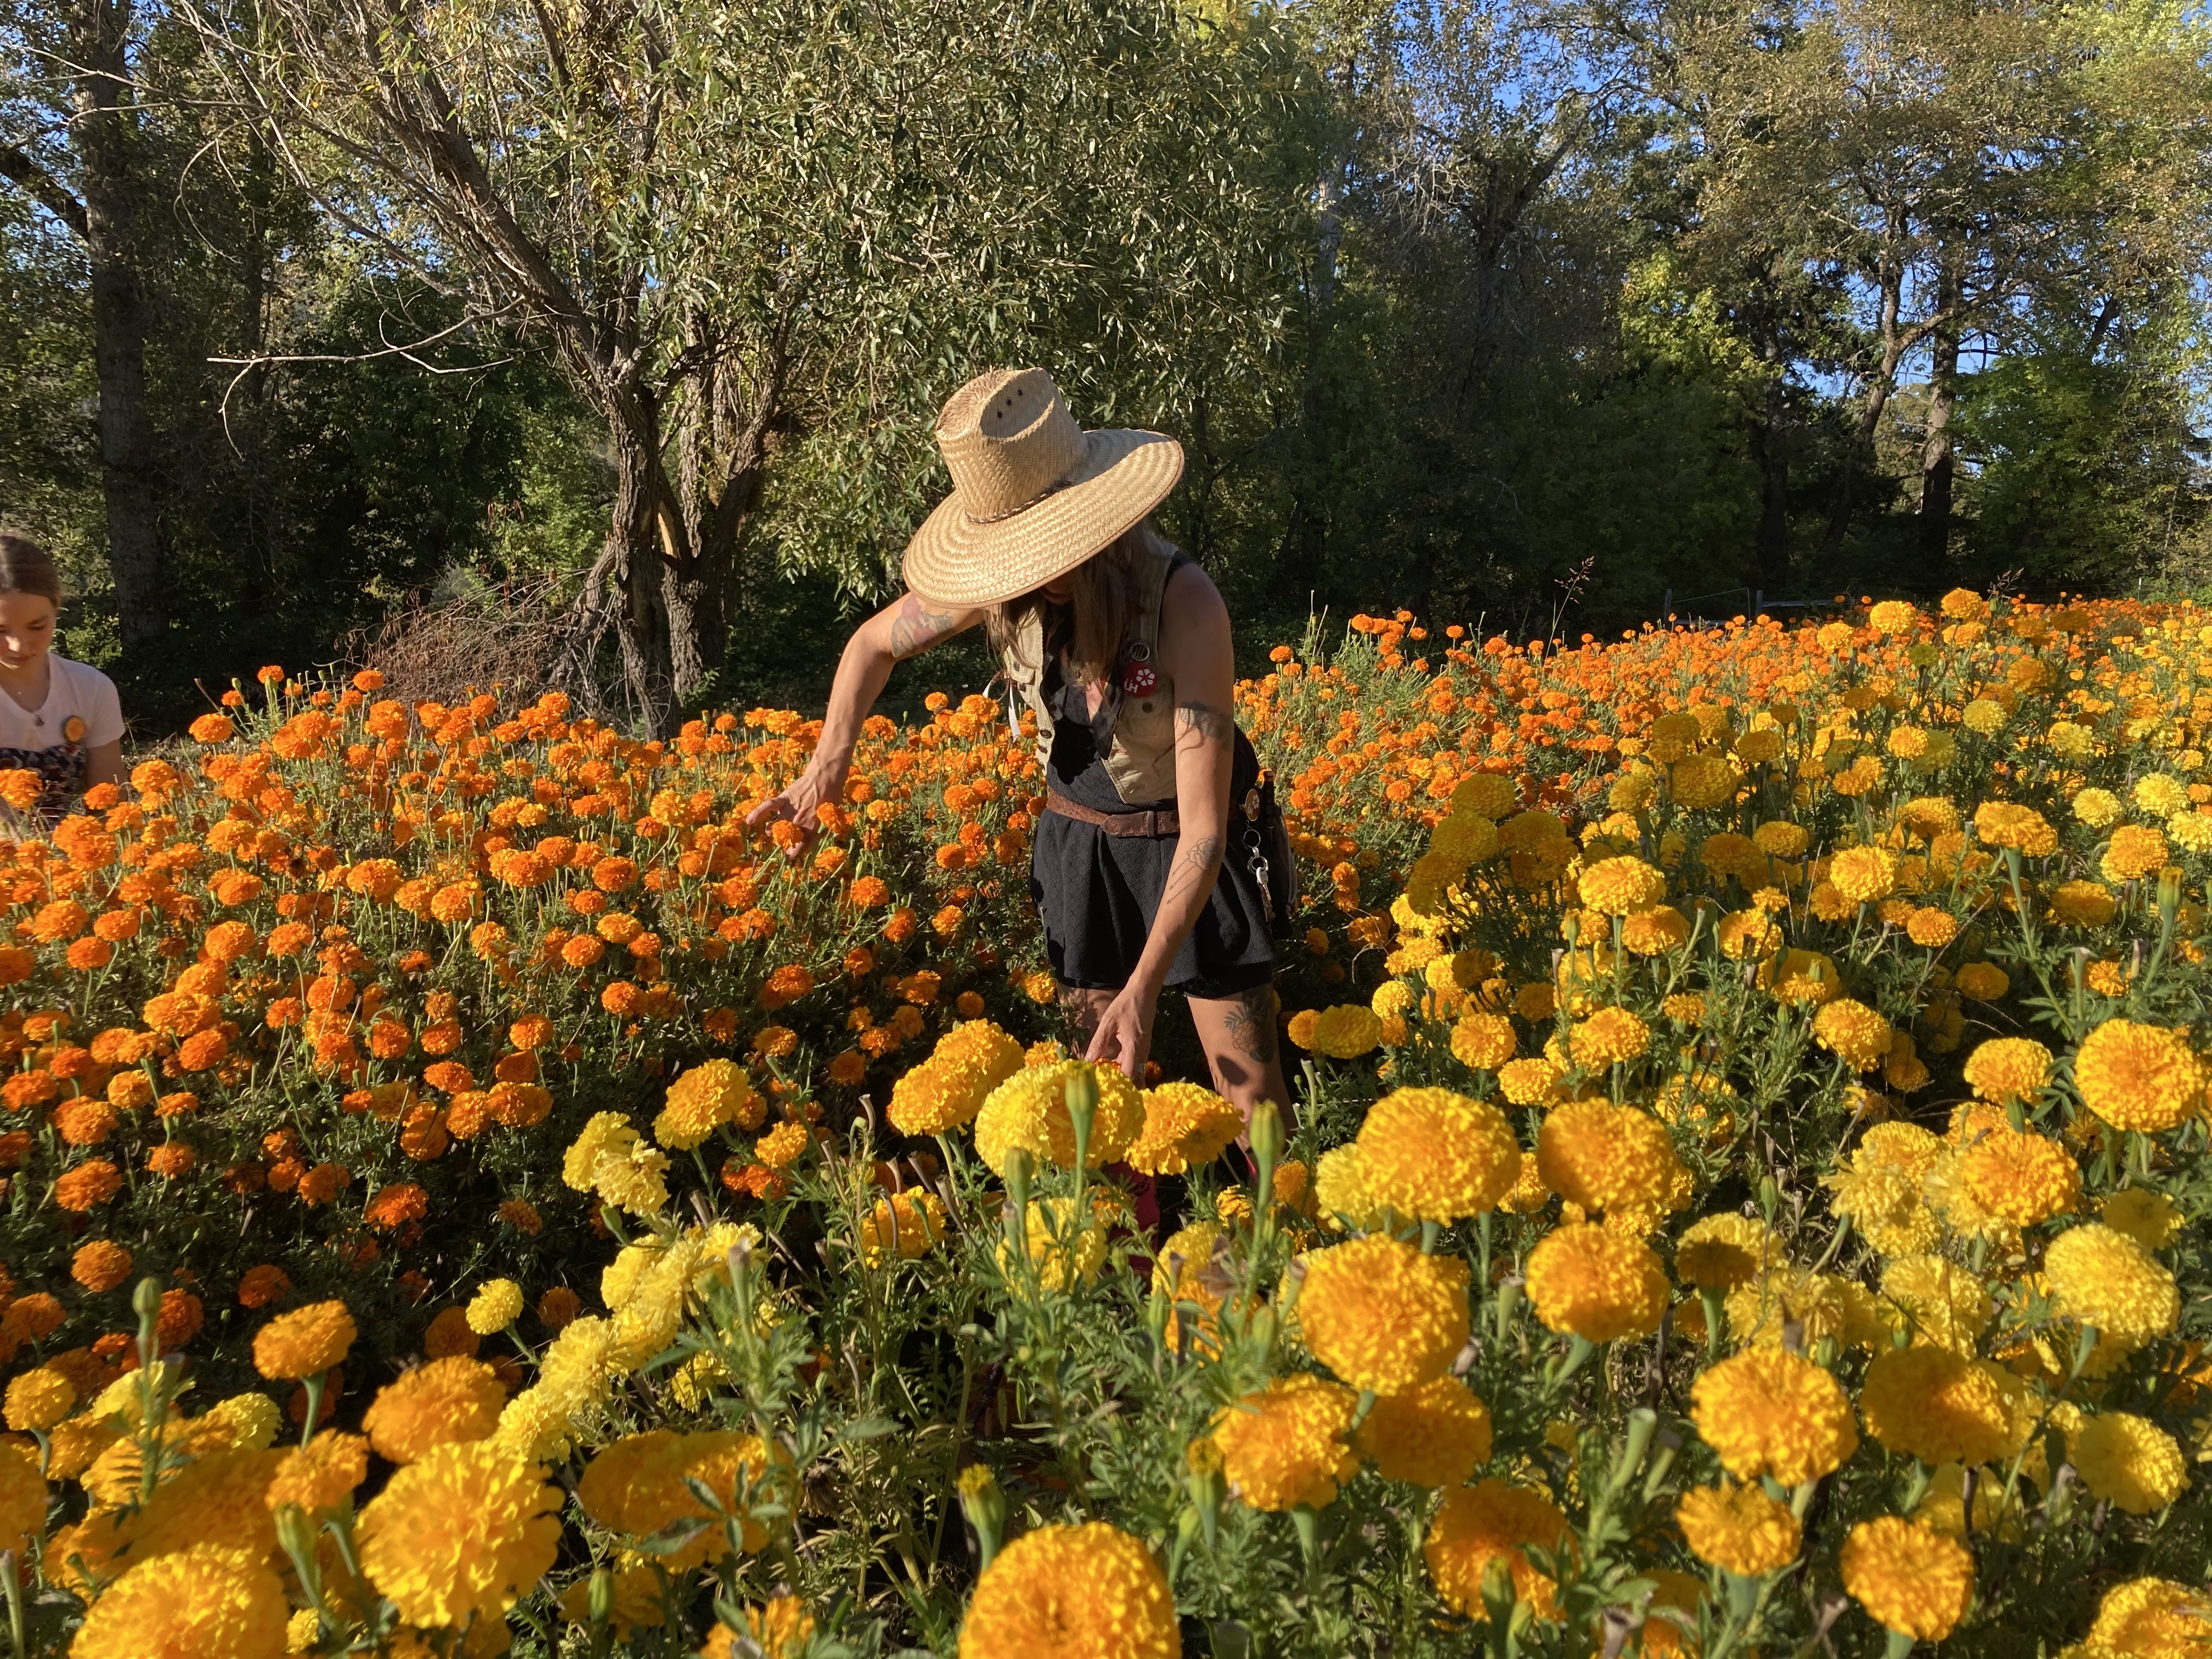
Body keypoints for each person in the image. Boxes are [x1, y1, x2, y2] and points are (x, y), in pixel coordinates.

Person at [748, 368, 1291, 1123]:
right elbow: (873, 645)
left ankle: (1274, 1236)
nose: (1029, 575)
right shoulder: (1006, 581)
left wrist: (1142, 991)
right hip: (1083, 849)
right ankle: (1126, 1236)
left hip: (1188, 849)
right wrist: (823, 774)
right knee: (1094, 1106)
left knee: (1252, 1108)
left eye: (1043, 551)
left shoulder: (1184, 604)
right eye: (1015, 555)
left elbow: (1204, 831)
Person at [0, 531, 125, 826]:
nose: (19, 645)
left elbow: (111, 808)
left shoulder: (91, 688)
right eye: (1, 631)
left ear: (57, 604)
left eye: (36, 626)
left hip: (72, 864)